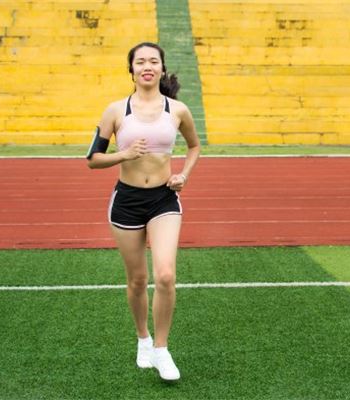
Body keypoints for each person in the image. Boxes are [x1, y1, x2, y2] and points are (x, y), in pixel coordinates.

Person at [86, 42, 200, 381]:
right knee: (137, 280)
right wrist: (124, 154)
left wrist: (183, 175)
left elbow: (194, 146)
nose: (147, 66)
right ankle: (143, 340)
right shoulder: (115, 111)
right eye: (140, 62)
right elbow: (93, 159)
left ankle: (162, 349)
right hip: (127, 201)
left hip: (164, 200)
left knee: (165, 275)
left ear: (162, 68)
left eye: (153, 61)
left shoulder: (177, 110)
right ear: (131, 70)